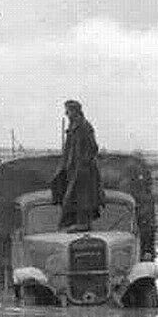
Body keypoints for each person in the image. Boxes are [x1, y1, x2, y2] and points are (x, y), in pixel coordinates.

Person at [50, 99, 103, 230]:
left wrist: (82, 164)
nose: (66, 114)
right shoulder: (73, 127)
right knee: (65, 194)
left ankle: (82, 224)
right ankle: (73, 223)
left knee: (81, 198)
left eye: (68, 111)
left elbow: (93, 148)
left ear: (75, 111)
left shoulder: (84, 127)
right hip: (72, 169)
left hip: (83, 171)